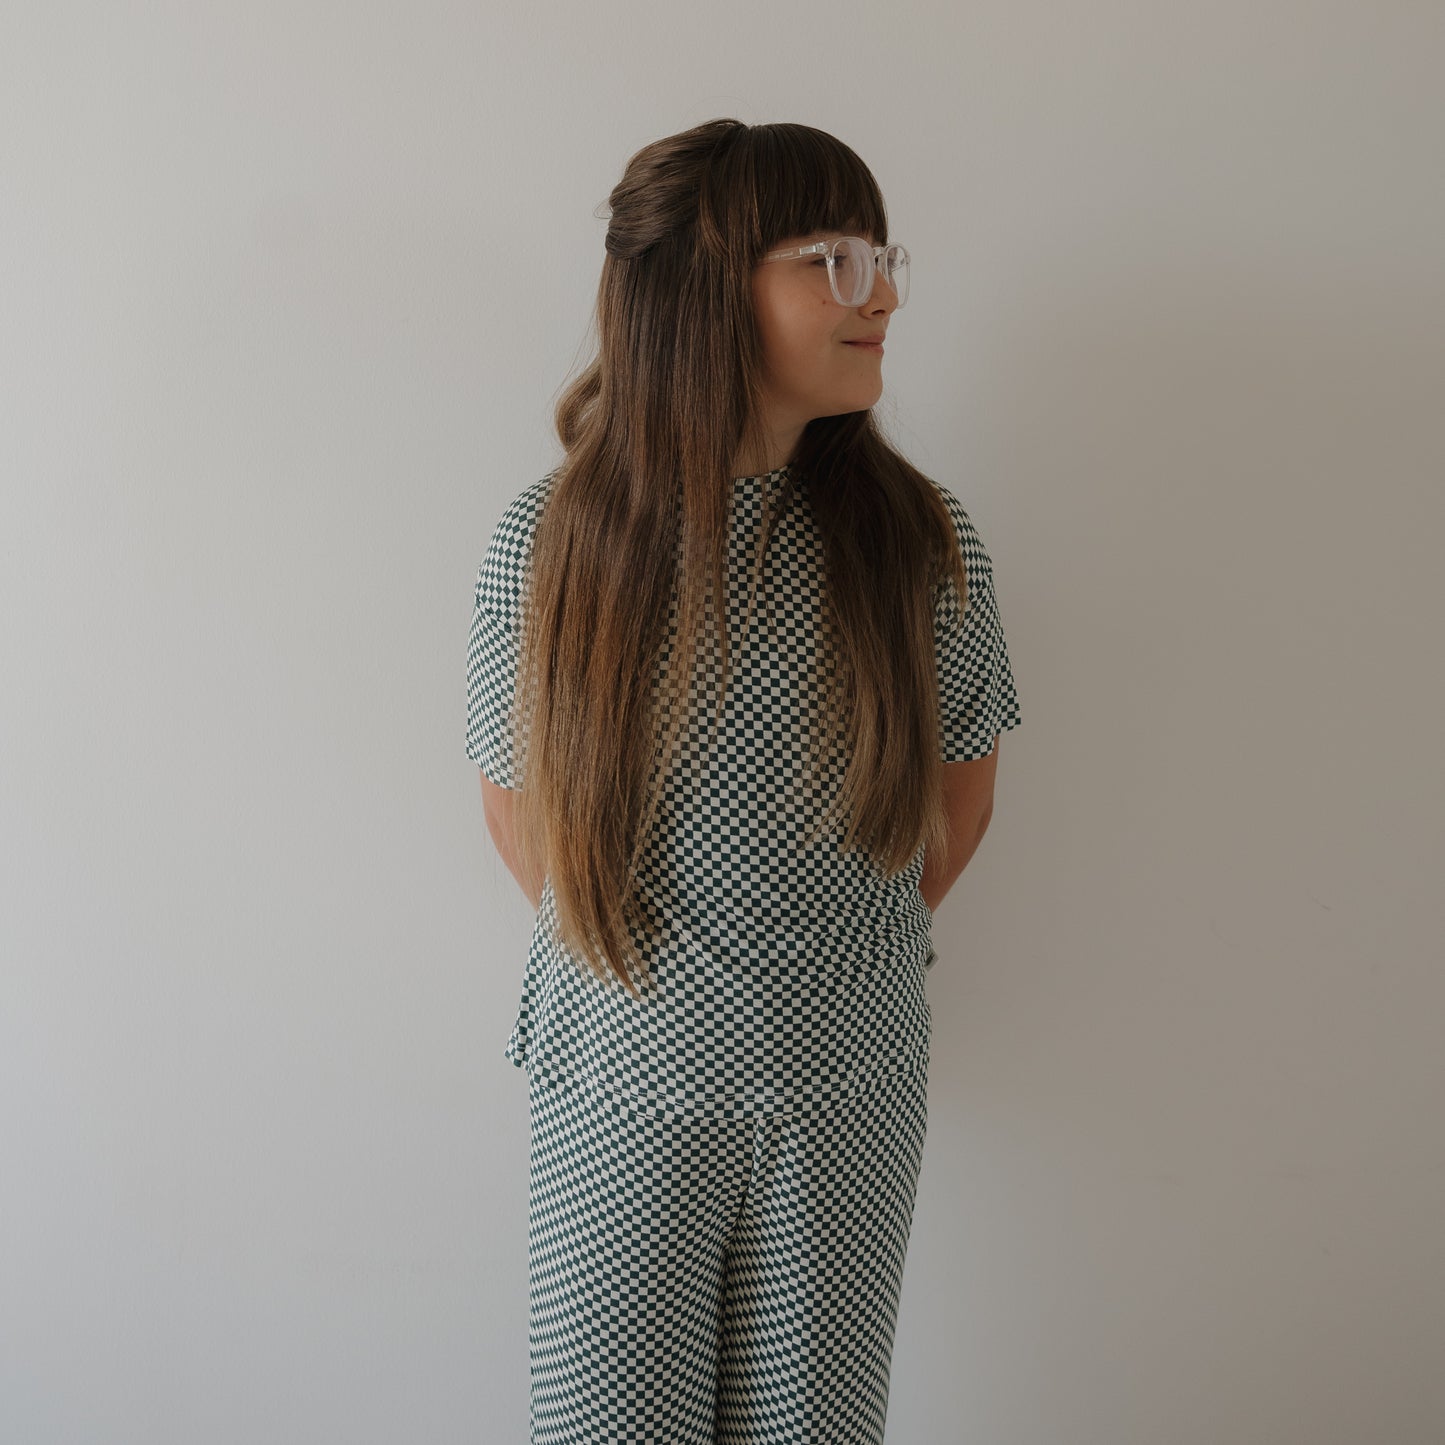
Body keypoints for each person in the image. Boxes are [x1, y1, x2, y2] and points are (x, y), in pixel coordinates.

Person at [465, 117, 1022, 1445]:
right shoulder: (550, 547)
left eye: (880, 255)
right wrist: (685, 983)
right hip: (619, 1084)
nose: (878, 290)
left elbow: (958, 796)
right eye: (827, 259)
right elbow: (520, 814)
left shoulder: (915, 541)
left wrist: (814, 967)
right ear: (700, 288)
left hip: (852, 1080)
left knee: (817, 1428)